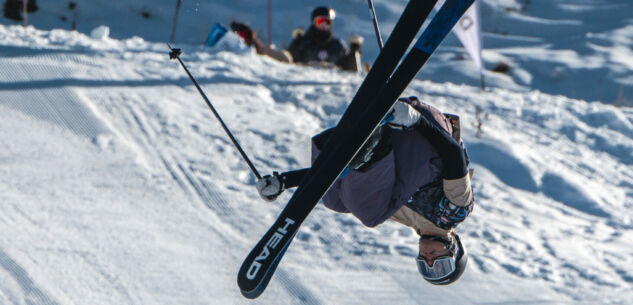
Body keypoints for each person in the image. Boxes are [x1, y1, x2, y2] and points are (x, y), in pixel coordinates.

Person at [256, 96, 475, 285]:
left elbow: (356, 187)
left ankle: (357, 151)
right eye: (441, 264)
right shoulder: (454, 212)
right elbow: (453, 154)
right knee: (370, 215)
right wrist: (415, 121)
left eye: (426, 268)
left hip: (396, 137)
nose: (429, 260)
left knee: (336, 202)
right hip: (421, 129)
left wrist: (284, 181)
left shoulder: (410, 220)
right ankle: (368, 153)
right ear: (454, 249)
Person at [287, 6, 363, 72]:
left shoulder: (337, 46)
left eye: (327, 22)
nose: (324, 25)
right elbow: (289, 62)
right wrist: (296, 42)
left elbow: (349, 69)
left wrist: (354, 51)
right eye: (320, 21)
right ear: (314, 22)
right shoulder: (304, 43)